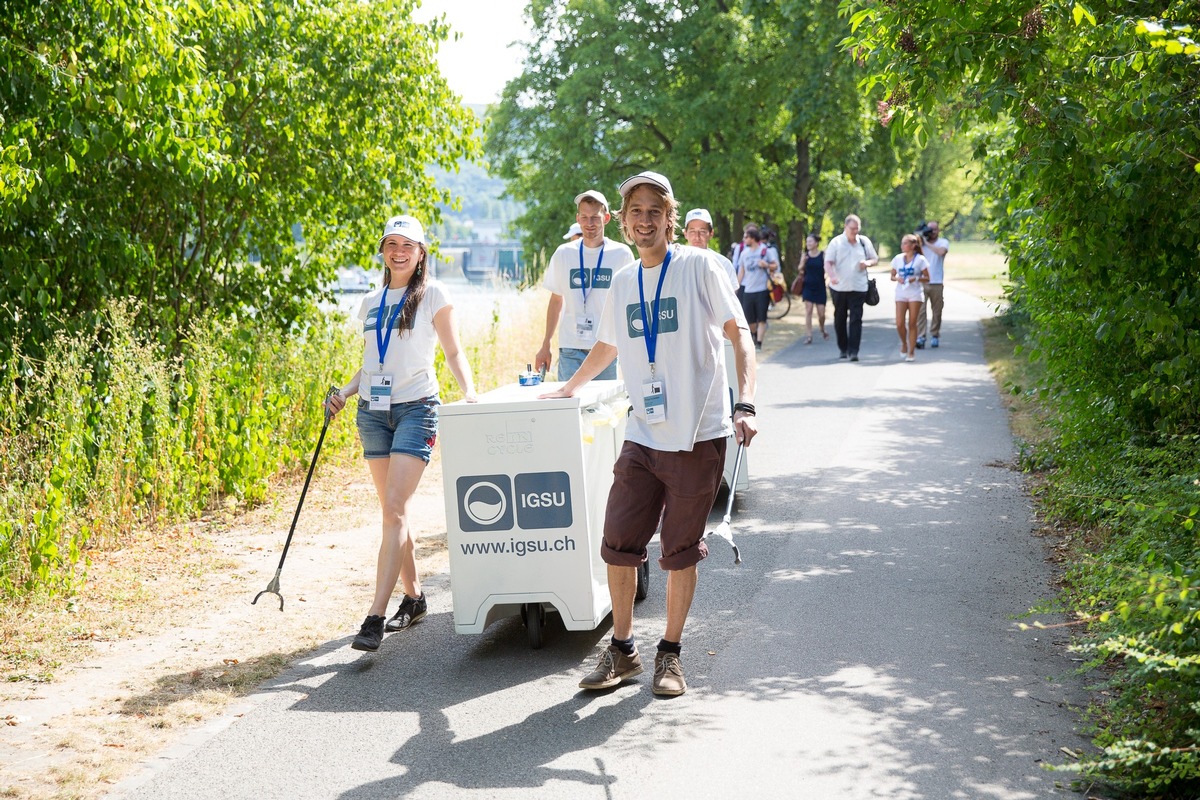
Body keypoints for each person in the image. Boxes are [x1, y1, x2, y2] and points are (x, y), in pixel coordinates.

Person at [540, 171, 758, 697]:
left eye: (653, 211)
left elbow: (740, 336)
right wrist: (567, 387)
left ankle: (670, 654)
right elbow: (608, 347)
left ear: (670, 217)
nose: (644, 220)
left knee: (681, 549)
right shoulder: (623, 281)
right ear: (624, 219)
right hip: (642, 433)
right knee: (618, 543)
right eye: (635, 211)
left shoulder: (699, 266)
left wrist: (745, 401)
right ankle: (622, 650)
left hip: (697, 435)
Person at [324, 215, 478, 652]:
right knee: (394, 513)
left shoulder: (433, 295)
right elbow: (373, 360)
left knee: (393, 508)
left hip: (416, 409)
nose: (398, 251)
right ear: (383, 251)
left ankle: (373, 616)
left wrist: (469, 394)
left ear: (421, 252)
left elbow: (452, 350)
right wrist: (344, 392)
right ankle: (414, 598)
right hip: (372, 413)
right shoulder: (371, 301)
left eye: (407, 244)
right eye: (391, 243)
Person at [535, 190, 636, 380]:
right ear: (578, 219)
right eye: (585, 217)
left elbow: (629, 304)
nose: (589, 223)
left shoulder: (621, 254)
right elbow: (556, 301)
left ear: (606, 218)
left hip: (606, 347)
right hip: (570, 348)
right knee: (569, 406)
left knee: (604, 408)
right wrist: (545, 344)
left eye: (595, 218)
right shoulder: (563, 253)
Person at [824, 214, 879, 362]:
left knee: (856, 319)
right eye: (852, 228)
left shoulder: (863, 242)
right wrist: (832, 276)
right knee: (840, 318)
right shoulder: (836, 242)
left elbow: (875, 259)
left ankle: (854, 351)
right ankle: (843, 348)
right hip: (839, 288)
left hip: (859, 287)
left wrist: (867, 263)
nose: (855, 231)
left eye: (857, 229)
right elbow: (828, 262)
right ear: (845, 227)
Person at [733, 227, 779, 349]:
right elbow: (741, 272)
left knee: (762, 318)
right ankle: (754, 334)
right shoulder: (744, 254)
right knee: (750, 320)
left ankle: (759, 343)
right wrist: (735, 288)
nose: (744, 239)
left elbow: (775, 265)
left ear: (753, 238)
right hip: (748, 290)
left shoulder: (765, 251)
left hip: (762, 290)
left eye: (746, 237)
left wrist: (767, 265)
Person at [890, 233, 931, 362]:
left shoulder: (920, 260)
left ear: (913, 245)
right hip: (901, 293)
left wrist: (916, 278)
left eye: (905, 243)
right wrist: (897, 278)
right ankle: (904, 343)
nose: (903, 246)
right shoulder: (897, 258)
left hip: (915, 294)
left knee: (912, 323)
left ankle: (911, 351)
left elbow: (928, 278)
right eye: (902, 243)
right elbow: (892, 276)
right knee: (899, 323)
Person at [682, 207, 739, 291]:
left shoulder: (723, 263)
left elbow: (732, 297)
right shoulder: (677, 264)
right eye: (692, 231)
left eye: (702, 231)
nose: (697, 237)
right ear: (685, 234)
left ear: (711, 233)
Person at [915, 220, 949, 349]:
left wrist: (927, 243)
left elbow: (941, 252)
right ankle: (921, 336)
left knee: (937, 311)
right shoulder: (920, 243)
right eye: (930, 229)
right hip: (922, 282)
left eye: (934, 230)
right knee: (921, 311)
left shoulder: (943, 242)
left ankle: (935, 335)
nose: (932, 232)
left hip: (937, 282)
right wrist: (918, 237)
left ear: (938, 231)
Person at [797, 232, 829, 344]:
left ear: (816, 243)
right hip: (808, 286)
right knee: (809, 310)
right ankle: (809, 336)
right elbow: (800, 269)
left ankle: (822, 328)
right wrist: (804, 262)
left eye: (810, 241)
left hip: (820, 286)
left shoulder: (823, 255)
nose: (808, 244)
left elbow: (828, 269)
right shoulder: (805, 255)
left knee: (821, 314)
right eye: (807, 242)